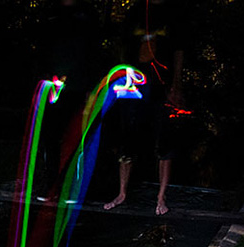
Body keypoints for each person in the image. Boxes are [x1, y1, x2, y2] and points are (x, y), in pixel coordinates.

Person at [103, 0, 187, 215]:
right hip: (134, 85)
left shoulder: (172, 13)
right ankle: (122, 192)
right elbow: (122, 47)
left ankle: (161, 196)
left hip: (161, 86)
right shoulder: (135, 12)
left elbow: (178, 50)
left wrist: (176, 85)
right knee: (127, 137)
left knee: (164, 139)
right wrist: (118, 80)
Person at [35, 0, 103, 197]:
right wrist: (44, 79)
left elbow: (94, 52)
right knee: (51, 137)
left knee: (76, 138)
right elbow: (42, 51)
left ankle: (73, 189)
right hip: (53, 88)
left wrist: (91, 88)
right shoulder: (50, 14)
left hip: (79, 88)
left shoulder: (87, 15)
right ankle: (52, 187)